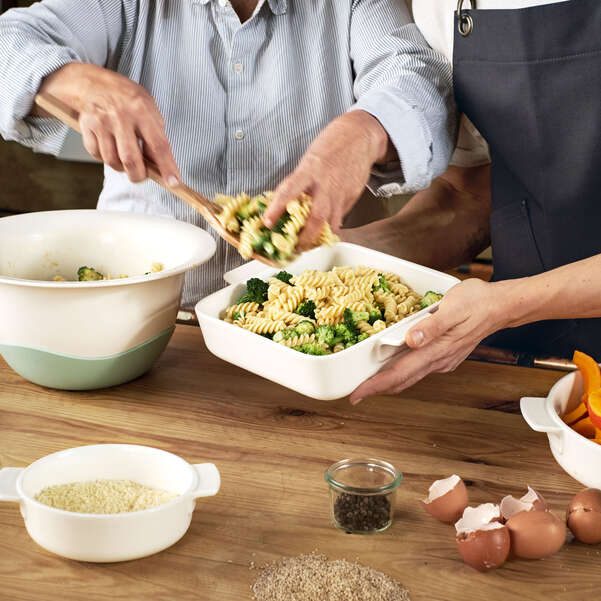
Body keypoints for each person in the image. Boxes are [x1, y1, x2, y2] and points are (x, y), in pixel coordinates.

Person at [0, 0, 456, 307]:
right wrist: (68, 78)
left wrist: (367, 130)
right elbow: (10, 38)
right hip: (134, 310)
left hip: (307, 312)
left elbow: (418, 77)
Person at [305, 0, 601, 403]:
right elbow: (466, 194)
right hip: (536, 366)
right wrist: (348, 258)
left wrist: (508, 304)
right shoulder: (443, 8)